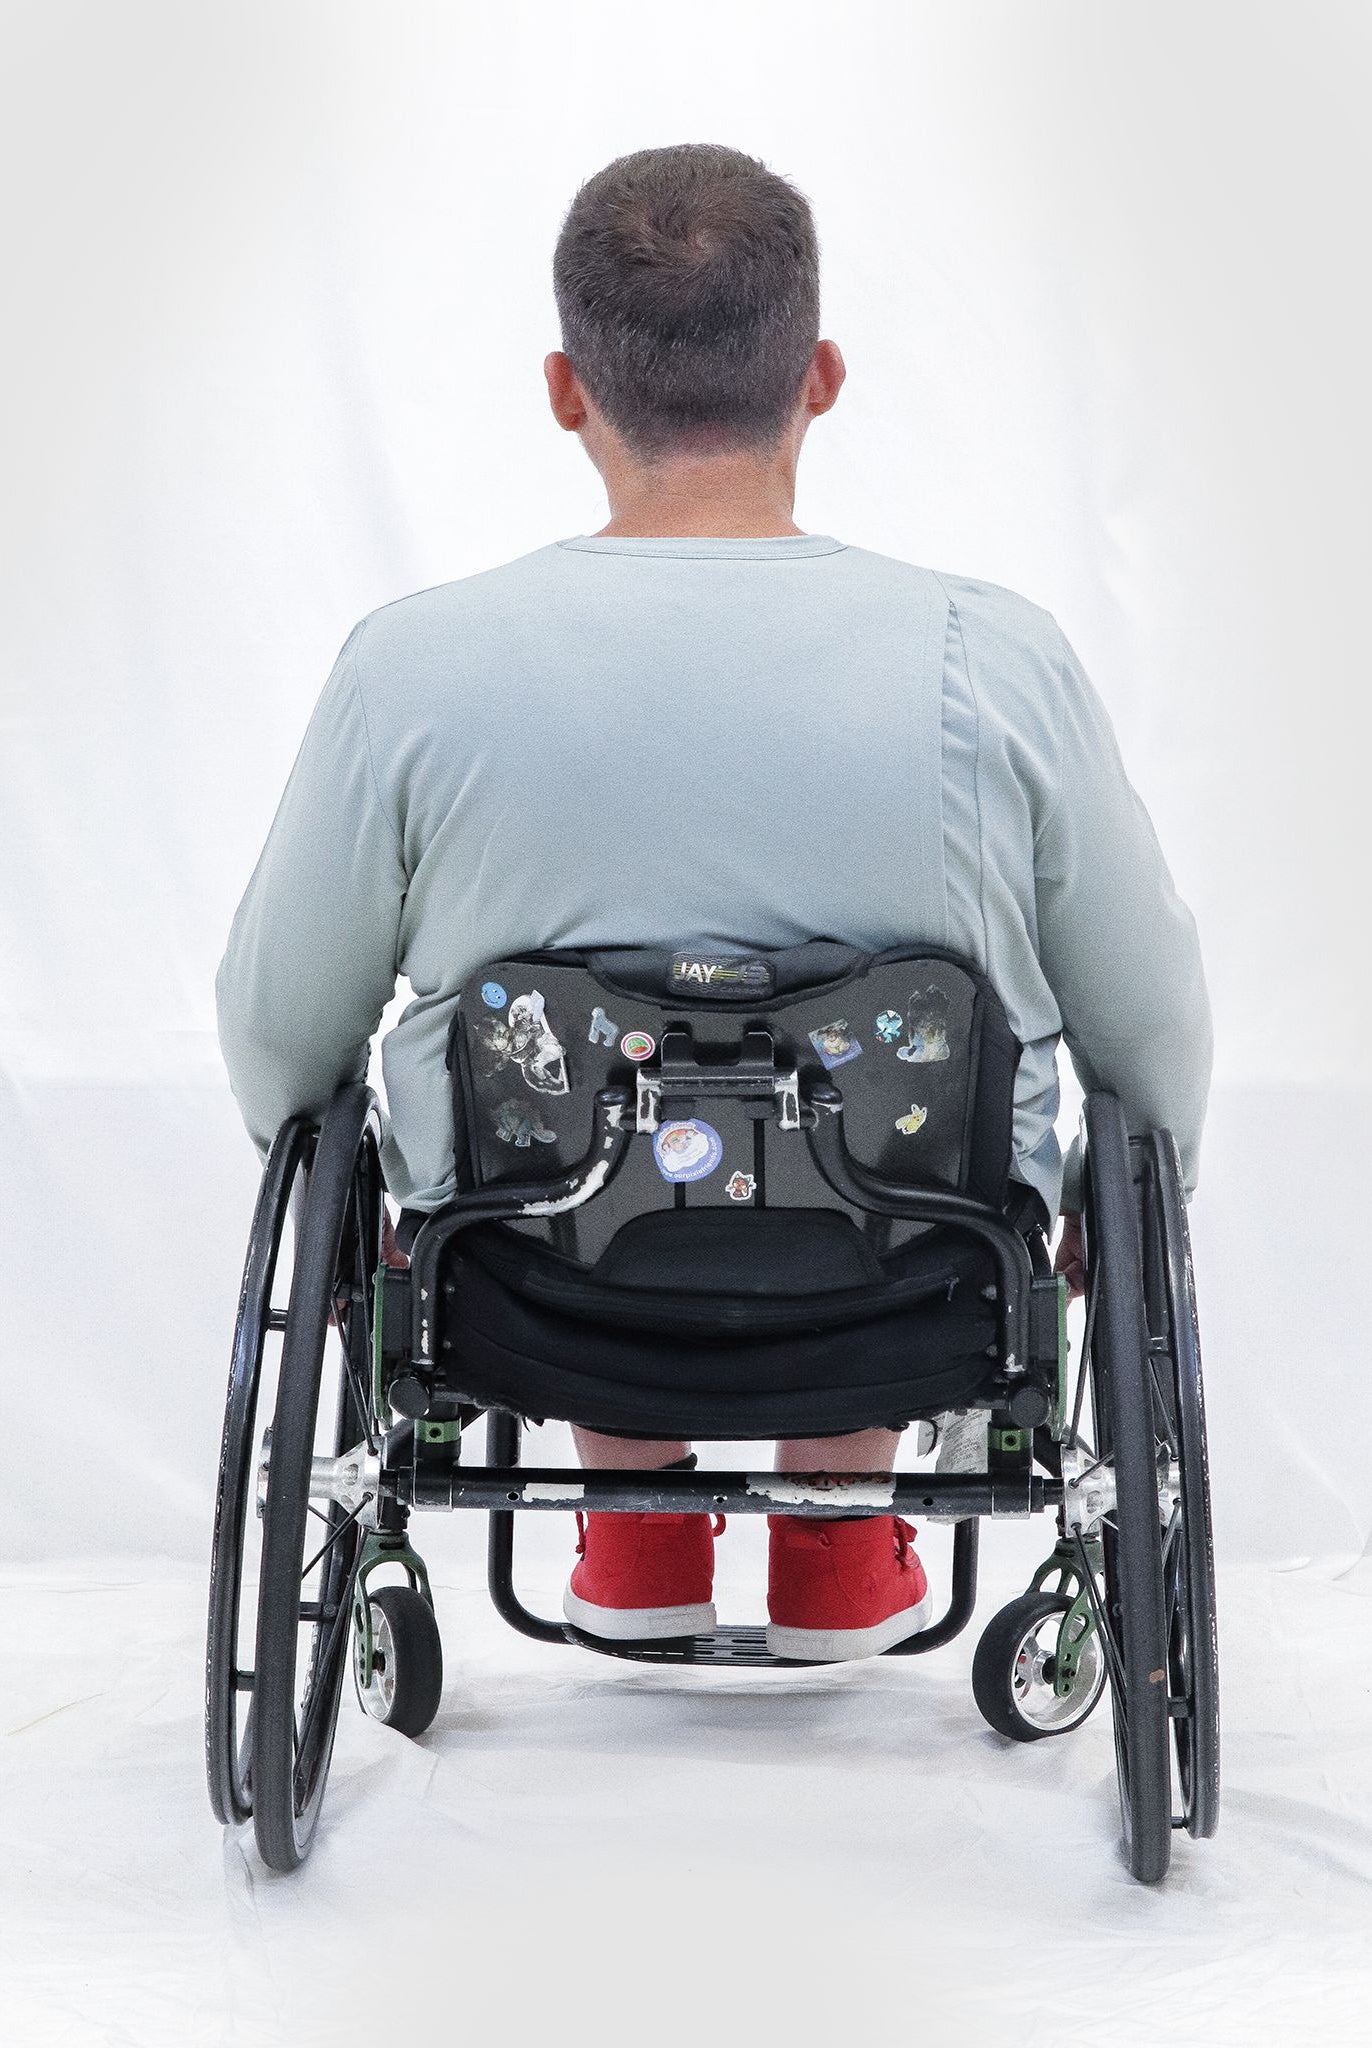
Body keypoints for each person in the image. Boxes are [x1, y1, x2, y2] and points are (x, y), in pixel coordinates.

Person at [217, 144, 1211, 1661]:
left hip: (525, 1284)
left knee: (575, 1137)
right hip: (922, 1280)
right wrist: (1139, 1194)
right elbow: (1146, 1015)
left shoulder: (413, 668)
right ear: (818, 376)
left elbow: (282, 1027)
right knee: (894, 1111)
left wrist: (361, 1222)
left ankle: (637, 1538)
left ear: (567, 389)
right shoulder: (994, 658)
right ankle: (839, 1559)